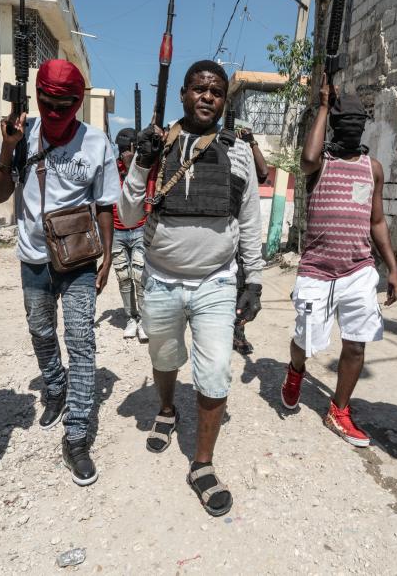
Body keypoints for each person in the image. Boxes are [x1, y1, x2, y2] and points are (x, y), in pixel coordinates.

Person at [118, 60, 263, 517]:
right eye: (199, 89)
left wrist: (253, 279)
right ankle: (166, 408)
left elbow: (250, 220)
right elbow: (125, 216)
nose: (207, 97)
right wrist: (141, 163)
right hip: (160, 277)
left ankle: (202, 464)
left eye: (216, 92)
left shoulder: (238, 151)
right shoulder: (157, 146)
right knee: (164, 358)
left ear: (223, 100)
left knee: (216, 369)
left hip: (216, 282)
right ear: (183, 94)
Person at [0, 59, 119, 487]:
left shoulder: (97, 142)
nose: (55, 111)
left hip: (79, 258)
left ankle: (77, 436)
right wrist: (8, 148)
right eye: (47, 102)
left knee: (82, 343)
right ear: (38, 98)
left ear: (78, 103)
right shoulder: (21, 134)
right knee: (41, 332)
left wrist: (107, 255)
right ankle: (55, 385)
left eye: (64, 104)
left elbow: (104, 204)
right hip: (32, 257)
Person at [279, 78, 397, 447]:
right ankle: (296, 369)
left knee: (357, 343)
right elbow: (307, 159)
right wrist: (321, 106)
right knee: (306, 339)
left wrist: (391, 267)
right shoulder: (322, 163)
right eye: (343, 120)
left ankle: (339, 409)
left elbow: (376, 221)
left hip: (359, 269)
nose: (352, 127)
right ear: (334, 123)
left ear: (364, 125)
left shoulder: (372, 168)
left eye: (358, 121)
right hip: (317, 269)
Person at [232, 125, 268, 356]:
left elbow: (263, 173)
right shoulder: (224, 147)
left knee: (243, 284)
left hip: (242, 228)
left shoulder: (244, 149)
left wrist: (251, 142)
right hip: (221, 229)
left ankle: (238, 332)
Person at [111, 127, 148, 341]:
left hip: (140, 228)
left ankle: (143, 319)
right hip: (117, 232)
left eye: (130, 148)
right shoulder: (112, 169)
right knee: (123, 277)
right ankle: (130, 318)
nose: (127, 153)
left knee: (139, 276)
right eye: (124, 149)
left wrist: (132, 166)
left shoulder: (141, 168)